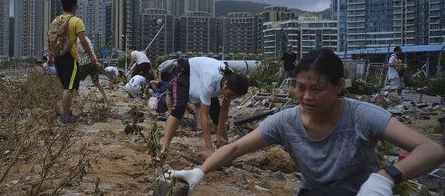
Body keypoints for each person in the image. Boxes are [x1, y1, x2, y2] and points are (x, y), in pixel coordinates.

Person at [167, 49, 445, 196]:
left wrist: (386, 178)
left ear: (339, 86)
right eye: (300, 88)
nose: (307, 97)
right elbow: (237, 148)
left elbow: (432, 150)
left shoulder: (361, 115)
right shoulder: (287, 121)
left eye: (317, 89)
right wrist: (200, 171)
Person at [161, 57, 250, 158]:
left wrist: (219, 134)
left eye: (234, 97)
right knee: (179, 108)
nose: (231, 98)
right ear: (225, 85)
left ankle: (224, 151)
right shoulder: (210, 80)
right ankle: (164, 147)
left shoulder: (233, 81)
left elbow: (224, 110)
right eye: (231, 95)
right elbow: (204, 115)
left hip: (205, 76)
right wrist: (208, 147)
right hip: (186, 71)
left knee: (216, 113)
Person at [47, 0, 103, 124]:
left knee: (67, 86)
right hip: (70, 58)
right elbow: (83, 41)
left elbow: (51, 42)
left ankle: (67, 111)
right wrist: (93, 60)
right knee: (68, 87)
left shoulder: (55, 21)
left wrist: (50, 58)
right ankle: (65, 116)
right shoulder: (76, 21)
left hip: (58, 58)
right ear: (74, 6)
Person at [77, 36, 109, 102]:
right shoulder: (86, 38)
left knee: (76, 80)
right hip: (93, 61)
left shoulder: (78, 40)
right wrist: (96, 62)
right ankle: (105, 98)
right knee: (96, 82)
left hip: (86, 62)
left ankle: (76, 98)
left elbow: (82, 51)